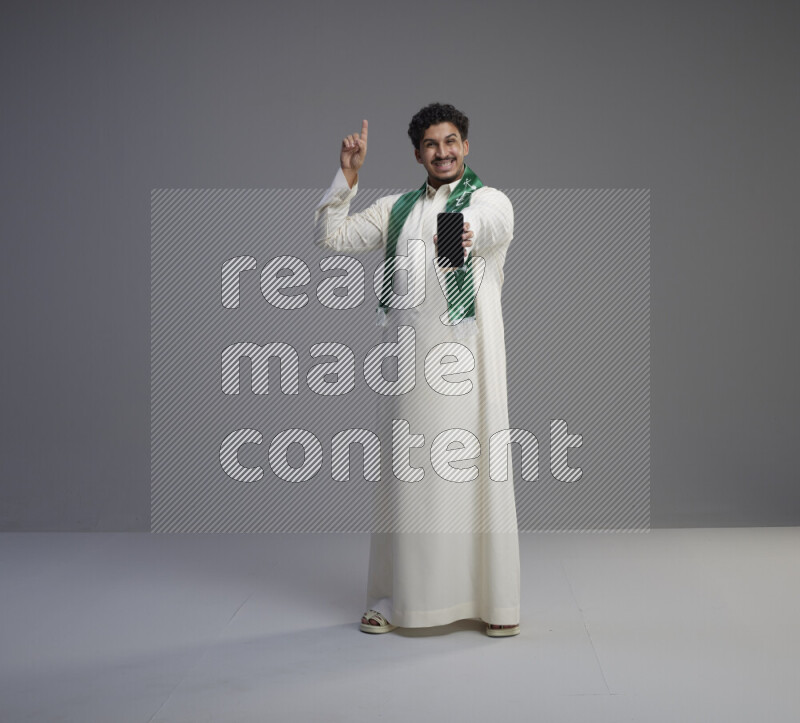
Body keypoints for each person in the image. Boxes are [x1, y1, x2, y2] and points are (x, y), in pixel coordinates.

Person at [314, 103, 521, 637]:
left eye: (451, 141)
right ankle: (395, 598)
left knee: (467, 477)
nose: (443, 151)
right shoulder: (395, 209)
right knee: (407, 482)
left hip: (466, 365)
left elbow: (485, 226)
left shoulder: (489, 201)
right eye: (432, 144)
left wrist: (461, 228)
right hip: (408, 371)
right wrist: (348, 177)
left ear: (466, 145)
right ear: (417, 154)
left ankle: (488, 603)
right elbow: (331, 237)